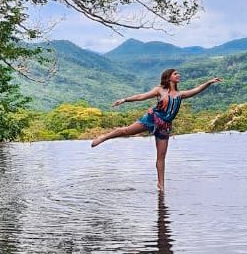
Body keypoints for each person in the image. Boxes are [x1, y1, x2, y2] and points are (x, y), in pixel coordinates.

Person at [91, 68, 222, 192]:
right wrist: (125, 100)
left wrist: (209, 82)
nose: (179, 75)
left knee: (161, 157)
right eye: (176, 74)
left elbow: (197, 89)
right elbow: (141, 96)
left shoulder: (180, 95)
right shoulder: (159, 90)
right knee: (126, 131)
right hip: (152, 119)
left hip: (165, 127)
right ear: (169, 76)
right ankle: (103, 137)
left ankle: (161, 185)